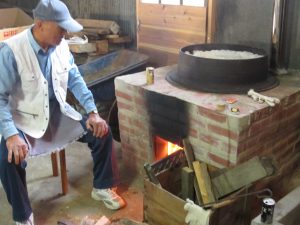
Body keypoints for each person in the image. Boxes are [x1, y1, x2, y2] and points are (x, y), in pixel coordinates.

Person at [0, 0, 125, 224]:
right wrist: (11, 135)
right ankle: (23, 215)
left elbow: (75, 79)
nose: (65, 32)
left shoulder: (61, 46)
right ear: (40, 24)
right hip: (24, 118)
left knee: (102, 130)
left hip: (56, 111)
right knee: (7, 158)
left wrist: (93, 111)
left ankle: (103, 186)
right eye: (61, 27)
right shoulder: (11, 51)